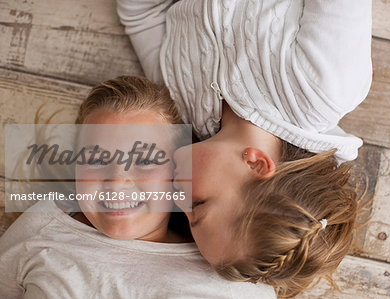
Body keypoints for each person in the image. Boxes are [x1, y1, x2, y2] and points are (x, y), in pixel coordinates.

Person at [117, 0, 372, 297]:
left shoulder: (180, 109)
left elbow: (141, 16)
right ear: (256, 164)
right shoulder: (322, 89)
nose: (176, 199)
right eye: (197, 205)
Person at [0, 76, 276, 298]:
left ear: (177, 172)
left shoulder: (230, 277)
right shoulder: (43, 228)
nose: (117, 182)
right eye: (96, 158)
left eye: (144, 160)